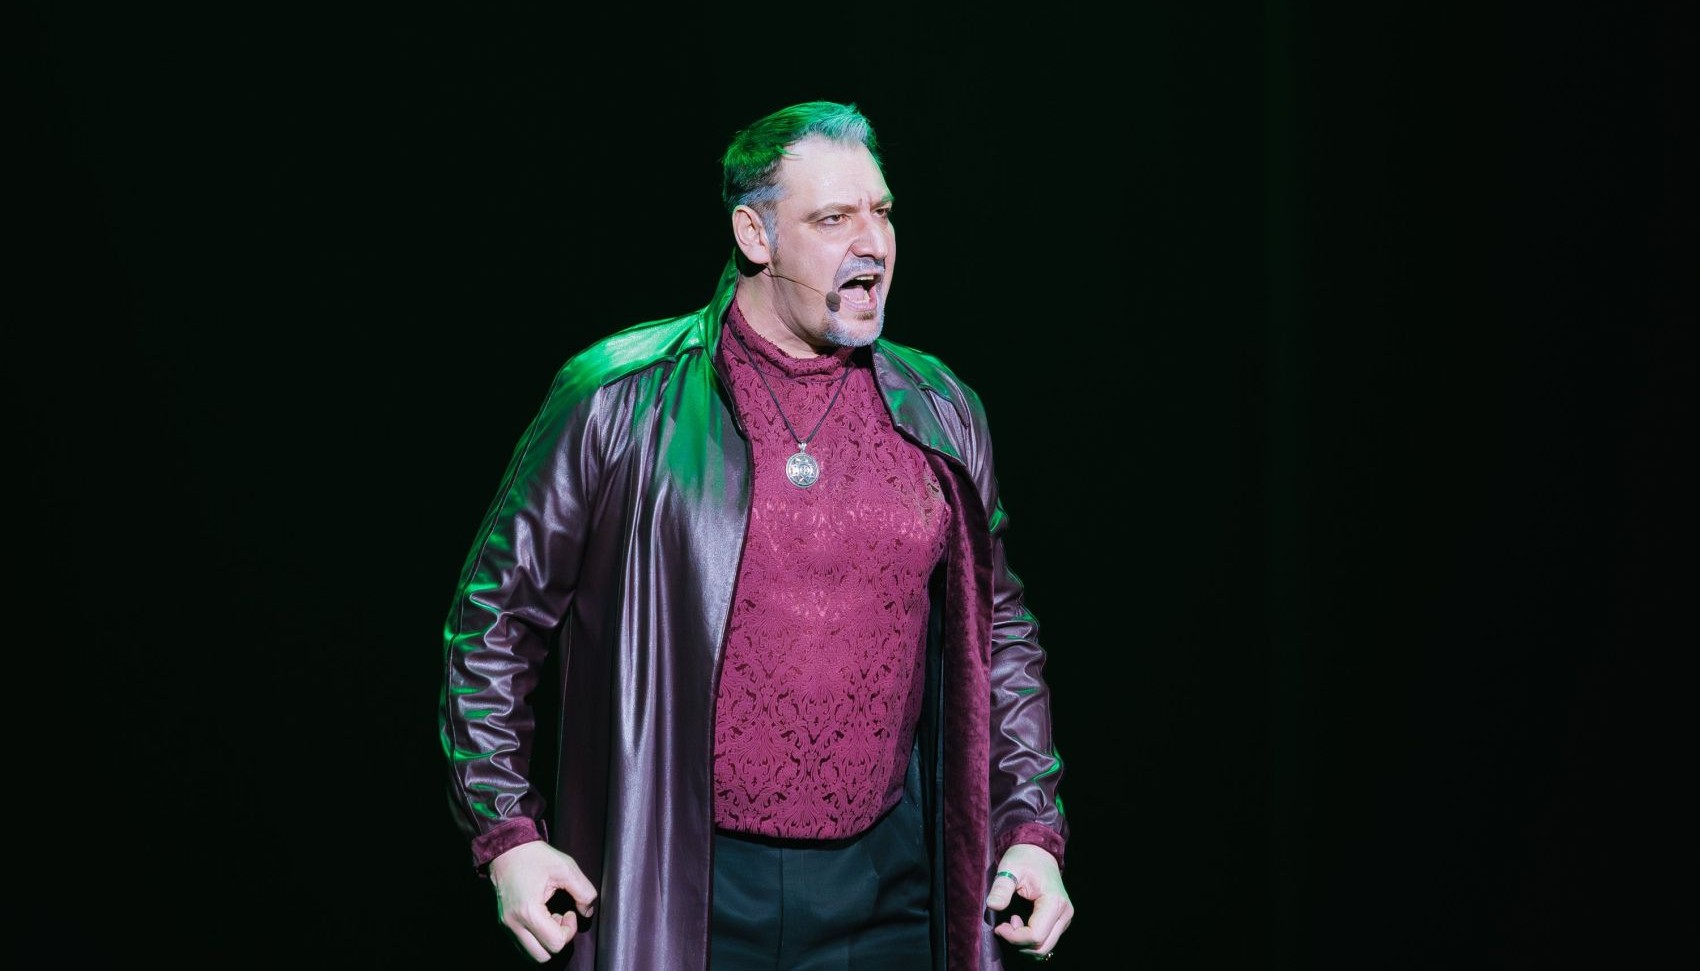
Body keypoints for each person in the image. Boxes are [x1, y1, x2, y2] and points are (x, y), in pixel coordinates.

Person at [439, 100, 1073, 970]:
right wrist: (507, 834)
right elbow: (494, 622)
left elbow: (1001, 635)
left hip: (888, 891)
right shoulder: (618, 400)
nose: (873, 243)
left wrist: (1031, 827)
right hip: (687, 886)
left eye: (882, 211)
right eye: (833, 218)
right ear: (755, 234)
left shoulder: (940, 412)